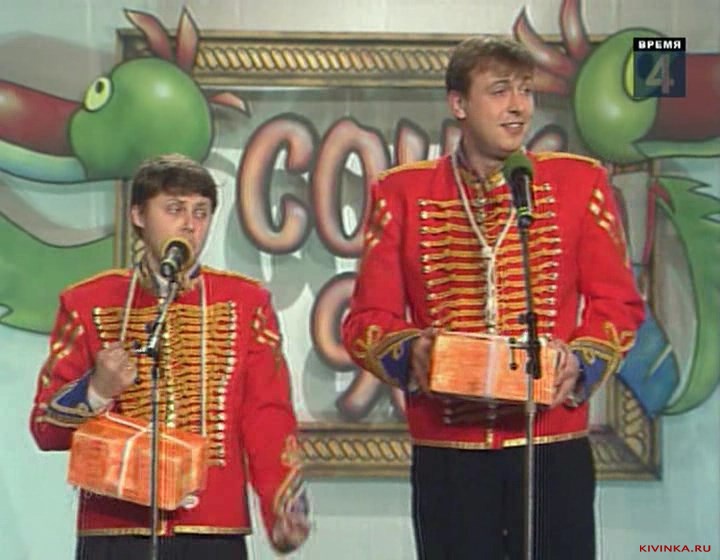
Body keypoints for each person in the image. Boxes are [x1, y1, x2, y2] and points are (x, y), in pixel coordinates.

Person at [342, 37, 645, 559]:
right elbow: (366, 320)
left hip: (551, 446)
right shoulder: (402, 192)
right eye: (500, 90)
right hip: (449, 454)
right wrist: (412, 352)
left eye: (526, 90)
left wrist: (579, 362)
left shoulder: (578, 182)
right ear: (459, 104)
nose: (518, 106)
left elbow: (618, 305)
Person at [30, 153, 310, 560]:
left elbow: (267, 414)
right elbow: (45, 428)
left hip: (212, 529)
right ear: (139, 215)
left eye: (201, 212)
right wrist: (97, 390)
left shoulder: (247, 302)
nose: (189, 225)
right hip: (116, 528)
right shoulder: (87, 301)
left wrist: (281, 503)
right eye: (174, 209)